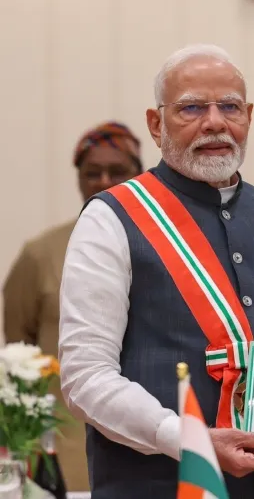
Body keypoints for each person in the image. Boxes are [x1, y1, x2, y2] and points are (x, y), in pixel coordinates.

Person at [58, 44, 254, 498]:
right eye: (192, 107)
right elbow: (85, 377)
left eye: (229, 107)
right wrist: (187, 440)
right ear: (156, 123)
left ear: (248, 116)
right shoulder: (111, 219)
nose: (214, 122)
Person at [3, 121, 143, 492]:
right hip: (69, 444)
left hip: (153, 436)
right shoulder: (41, 254)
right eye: (91, 173)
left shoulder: (170, 248)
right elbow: (19, 351)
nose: (103, 181)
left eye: (117, 171)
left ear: (140, 174)